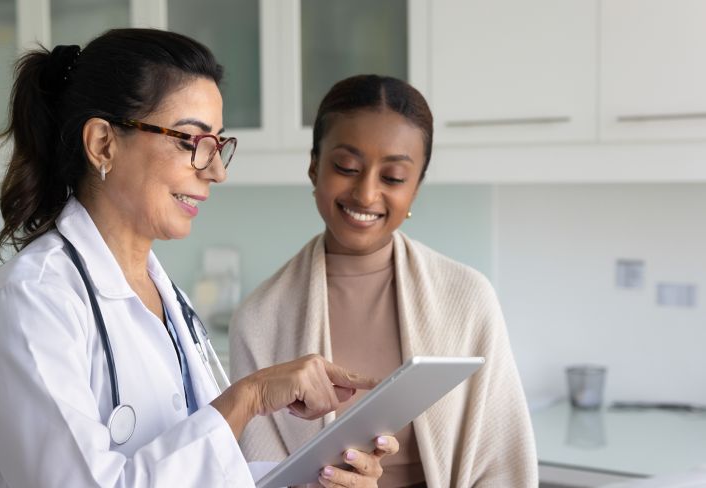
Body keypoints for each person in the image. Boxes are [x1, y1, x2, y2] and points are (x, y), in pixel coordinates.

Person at [0, 29, 395, 488]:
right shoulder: (27, 305)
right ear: (103, 144)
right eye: (190, 142)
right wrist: (248, 397)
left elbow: (191, 471)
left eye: (217, 145)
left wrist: (317, 477)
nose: (215, 171)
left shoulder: (168, 300)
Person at [230, 75, 539, 488]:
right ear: (313, 166)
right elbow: (257, 477)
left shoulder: (468, 300)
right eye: (346, 167)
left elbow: (505, 465)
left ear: (415, 189)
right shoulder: (259, 319)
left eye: (393, 177)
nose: (366, 193)